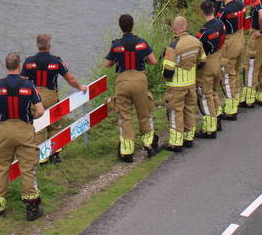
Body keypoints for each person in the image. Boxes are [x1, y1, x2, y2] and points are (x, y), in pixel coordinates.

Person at [0, 53, 46, 220]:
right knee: (27, 168)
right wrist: (31, 118)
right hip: (24, 130)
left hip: (4, 130)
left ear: (6, 66)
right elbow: (40, 110)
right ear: (19, 66)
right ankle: (32, 208)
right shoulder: (29, 85)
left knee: (1, 167)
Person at [21, 34, 88, 164]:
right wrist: (80, 87)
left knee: (38, 126)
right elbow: (70, 79)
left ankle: (41, 157)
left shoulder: (28, 62)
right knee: (54, 125)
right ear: (49, 45)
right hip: (51, 95)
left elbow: (22, 82)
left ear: (37, 45)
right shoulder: (56, 61)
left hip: (35, 97)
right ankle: (55, 154)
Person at [102, 14, 159, 162]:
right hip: (140, 80)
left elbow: (106, 64)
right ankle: (149, 145)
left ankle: (127, 152)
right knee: (144, 114)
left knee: (125, 117)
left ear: (121, 27)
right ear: (132, 25)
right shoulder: (141, 43)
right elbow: (153, 61)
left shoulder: (116, 45)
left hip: (123, 82)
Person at [163, 16, 205, 151]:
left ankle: (176, 142)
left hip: (176, 86)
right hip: (190, 84)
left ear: (174, 28)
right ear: (186, 26)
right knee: (189, 110)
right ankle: (188, 137)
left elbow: (168, 70)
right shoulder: (196, 42)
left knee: (176, 112)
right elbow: (202, 61)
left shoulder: (173, 46)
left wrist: (164, 77)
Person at [216, 0, 247, 120]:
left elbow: (218, 27)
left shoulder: (224, 12)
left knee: (227, 74)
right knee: (235, 70)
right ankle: (236, 98)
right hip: (241, 37)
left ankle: (230, 108)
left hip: (230, 41)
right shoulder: (240, 4)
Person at [195, 0, 226, 138]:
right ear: (213, 10)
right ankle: (218, 114)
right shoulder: (220, 24)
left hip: (207, 64)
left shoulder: (203, 32)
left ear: (202, 12)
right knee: (213, 91)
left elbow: (197, 50)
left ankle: (209, 128)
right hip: (218, 59)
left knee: (204, 95)